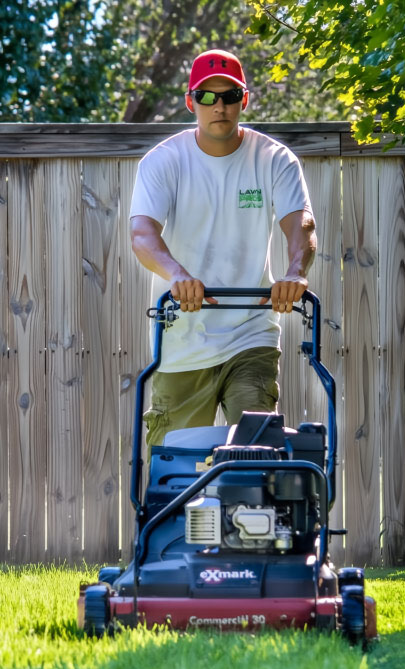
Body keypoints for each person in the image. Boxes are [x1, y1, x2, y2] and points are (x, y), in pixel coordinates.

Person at [129, 48, 316, 447]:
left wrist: (295, 272)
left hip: (251, 334)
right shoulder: (163, 162)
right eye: (208, 97)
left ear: (243, 100)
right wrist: (177, 275)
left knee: (257, 456)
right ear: (191, 102)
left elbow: (301, 223)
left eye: (230, 97)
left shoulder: (272, 159)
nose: (220, 106)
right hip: (183, 341)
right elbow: (142, 235)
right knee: (174, 469)